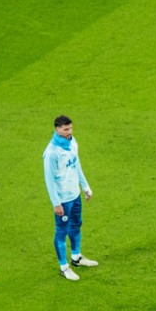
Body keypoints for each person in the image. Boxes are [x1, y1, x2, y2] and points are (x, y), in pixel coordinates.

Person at [43, 115, 98, 281]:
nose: (69, 132)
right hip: (63, 200)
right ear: (57, 129)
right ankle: (63, 267)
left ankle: (76, 257)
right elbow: (49, 180)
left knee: (76, 225)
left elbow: (76, 165)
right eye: (66, 129)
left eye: (71, 128)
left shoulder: (73, 143)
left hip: (75, 195)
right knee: (61, 231)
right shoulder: (51, 153)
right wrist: (56, 203)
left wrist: (85, 187)